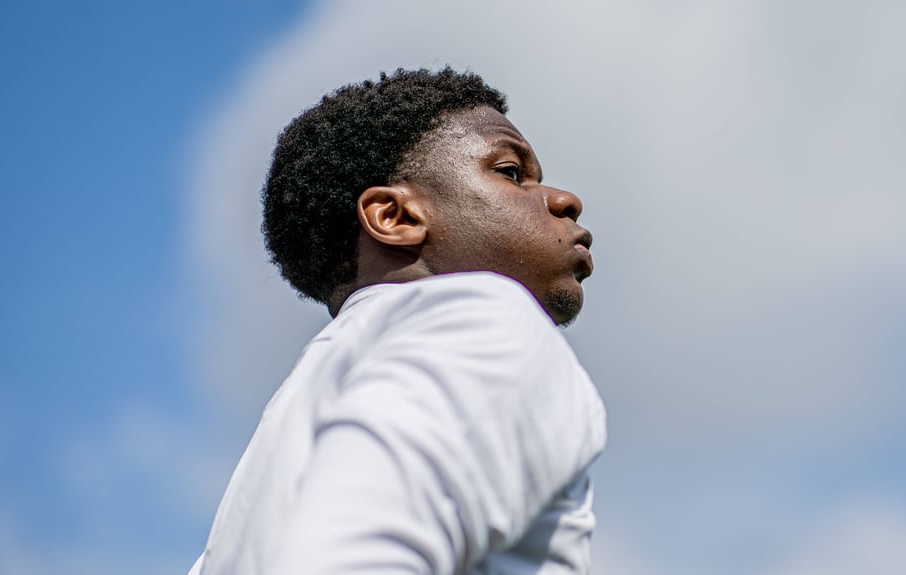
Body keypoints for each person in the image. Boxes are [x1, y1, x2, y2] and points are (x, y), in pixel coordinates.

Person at [188, 67, 607, 575]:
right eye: (511, 173)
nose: (563, 200)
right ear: (395, 217)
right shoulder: (487, 323)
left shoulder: (259, 475)